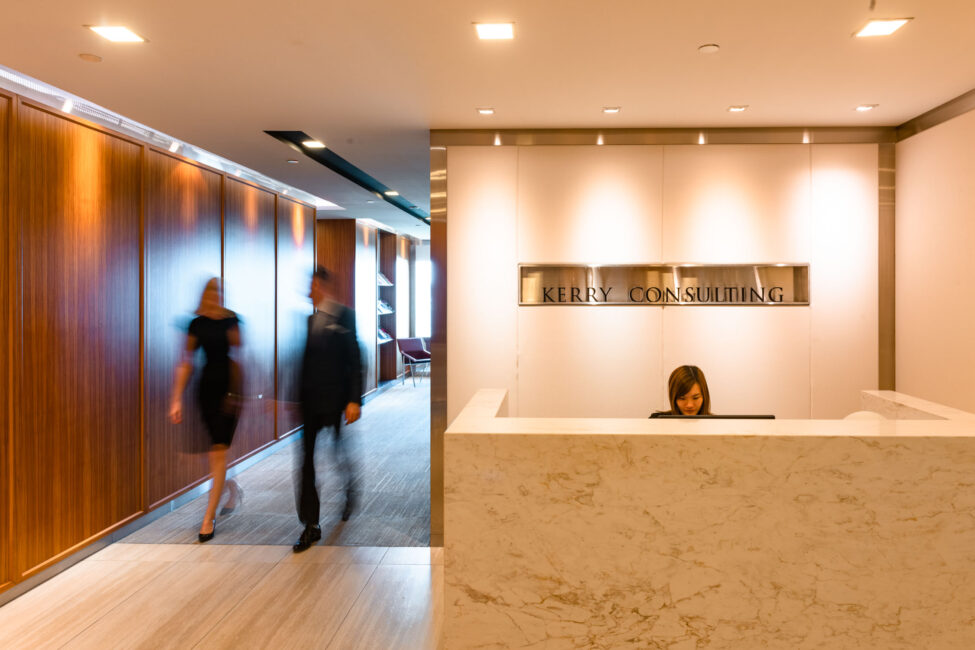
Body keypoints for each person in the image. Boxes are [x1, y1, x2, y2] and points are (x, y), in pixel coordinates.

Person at [293, 265, 363, 553]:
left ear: (321, 286)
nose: (308, 291)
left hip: (335, 401)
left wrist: (354, 400)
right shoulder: (309, 320)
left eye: (312, 286)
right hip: (309, 404)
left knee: (338, 452)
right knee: (306, 462)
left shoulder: (345, 316)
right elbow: (304, 364)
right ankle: (311, 524)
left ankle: (350, 489)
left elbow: (355, 360)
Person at [169, 277, 243, 542]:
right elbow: (185, 362)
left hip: (229, 394)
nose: (216, 296)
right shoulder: (196, 324)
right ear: (205, 294)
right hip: (205, 393)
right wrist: (176, 398)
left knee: (218, 452)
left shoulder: (232, 320)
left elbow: (238, 358)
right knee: (214, 455)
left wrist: (235, 394)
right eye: (212, 292)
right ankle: (231, 487)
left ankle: (207, 518)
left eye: (220, 292)